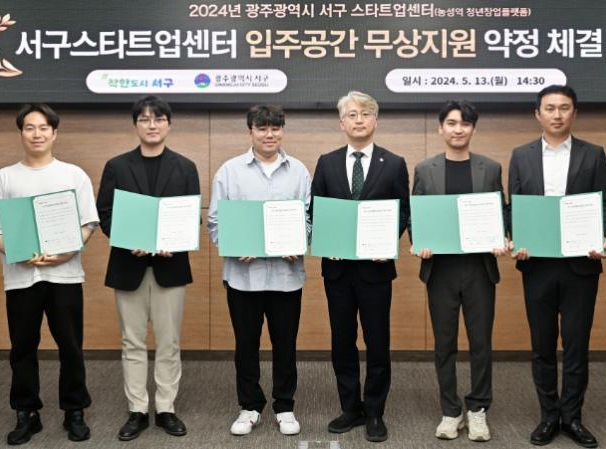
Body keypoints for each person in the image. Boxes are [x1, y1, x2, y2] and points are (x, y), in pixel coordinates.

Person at [0, 104, 97, 445]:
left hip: (65, 276)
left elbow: (88, 223)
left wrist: (66, 252)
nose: (37, 133)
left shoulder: (73, 175)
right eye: (29, 127)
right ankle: (26, 412)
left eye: (43, 127)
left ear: (54, 133)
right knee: (22, 347)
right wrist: (17, 251)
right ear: (21, 133)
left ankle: (74, 411)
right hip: (21, 278)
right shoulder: (5, 178)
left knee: (70, 346)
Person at [509, 85, 606, 448]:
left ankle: (572, 417)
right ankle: (548, 416)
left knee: (575, 345)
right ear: (537, 114)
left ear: (574, 113)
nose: (557, 114)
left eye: (564, 108)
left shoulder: (593, 154)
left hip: (580, 266)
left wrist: (600, 236)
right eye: (550, 108)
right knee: (541, 346)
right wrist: (517, 238)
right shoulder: (521, 156)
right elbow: (514, 207)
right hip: (536, 265)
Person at [96, 96, 200, 441]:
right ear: (135, 125)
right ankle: (138, 409)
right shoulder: (116, 166)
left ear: (168, 124)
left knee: (169, 342)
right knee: (132, 341)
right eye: (144, 119)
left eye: (158, 119)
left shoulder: (185, 167)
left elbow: (192, 216)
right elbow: (105, 213)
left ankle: (166, 408)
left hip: (171, 267)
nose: (151, 125)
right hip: (129, 265)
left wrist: (176, 240)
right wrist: (129, 240)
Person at [311, 91, 410, 442]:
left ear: (375, 121)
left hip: (375, 269)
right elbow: (316, 210)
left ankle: (375, 411)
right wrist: (327, 241)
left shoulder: (394, 163)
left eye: (365, 114)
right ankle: (350, 407)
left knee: (377, 342)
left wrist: (388, 243)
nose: (358, 120)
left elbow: (403, 211)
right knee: (342, 341)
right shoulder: (326, 162)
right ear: (342, 123)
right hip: (337, 270)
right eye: (352, 114)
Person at [207, 104, 311, 436]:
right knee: (246, 345)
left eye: (275, 128)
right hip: (243, 278)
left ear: (282, 130)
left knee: (286, 345)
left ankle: (285, 406)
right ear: (250, 131)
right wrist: (235, 245)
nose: (269, 134)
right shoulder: (229, 171)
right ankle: (249, 406)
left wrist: (300, 242)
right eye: (262, 128)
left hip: (286, 277)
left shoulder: (299, 171)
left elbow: (309, 218)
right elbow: (215, 221)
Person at [411, 101, 507, 442]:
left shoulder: (490, 168)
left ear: (473, 129)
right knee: (444, 344)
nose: (458, 129)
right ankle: (450, 411)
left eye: (465, 123)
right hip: (441, 270)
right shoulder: (425, 169)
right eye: (451, 123)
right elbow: (417, 216)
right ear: (440, 128)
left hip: (480, 268)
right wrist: (420, 242)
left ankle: (478, 410)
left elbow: (500, 213)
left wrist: (501, 238)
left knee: (481, 343)